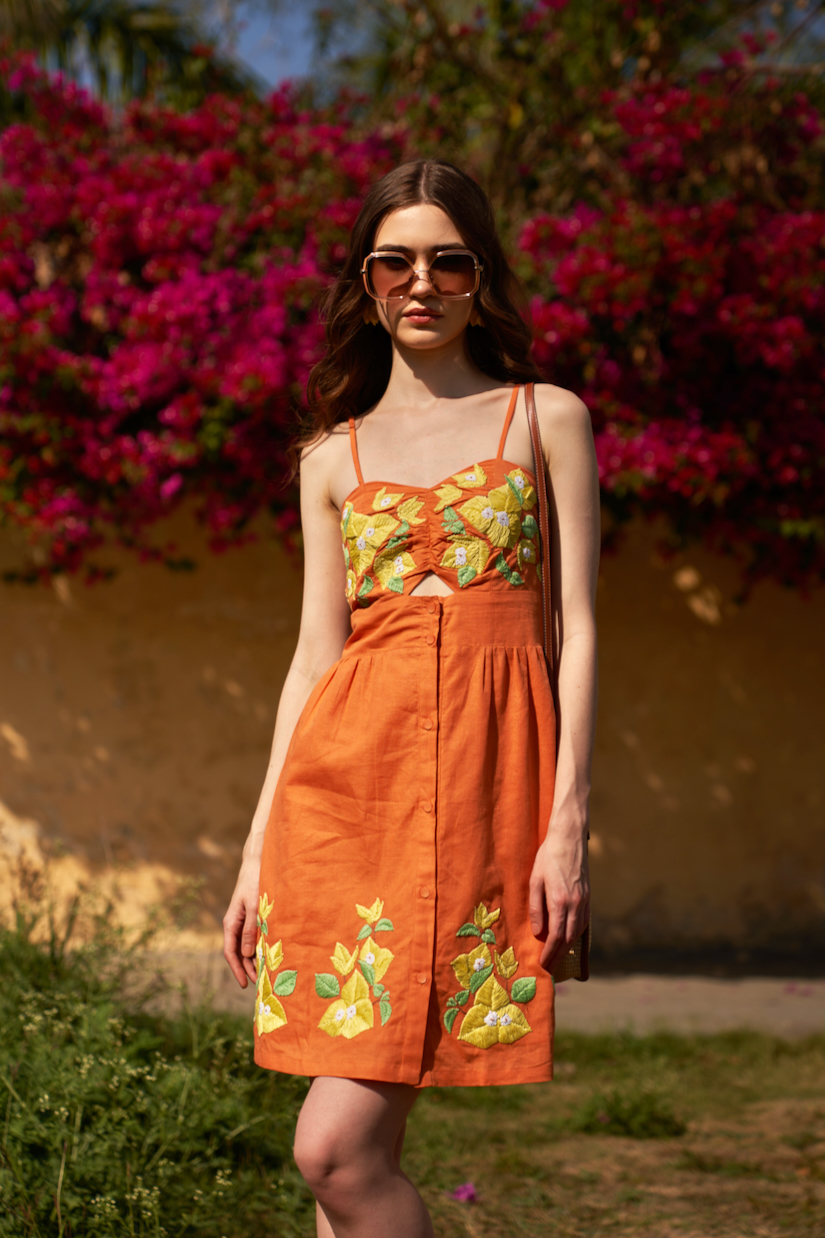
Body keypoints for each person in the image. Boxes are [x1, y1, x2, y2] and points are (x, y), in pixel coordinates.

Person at [223, 158, 599, 1238]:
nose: (420, 282)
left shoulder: (545, 418)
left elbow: (573, 628)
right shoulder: (329, 457)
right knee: (348, 1163)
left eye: (448, 259)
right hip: (345, 795)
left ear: (483, 276)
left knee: (330, 1149)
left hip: (487, 785)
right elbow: (311, 656)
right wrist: (257, 850)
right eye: (394, 260)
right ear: (365, 279)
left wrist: (567, 822)